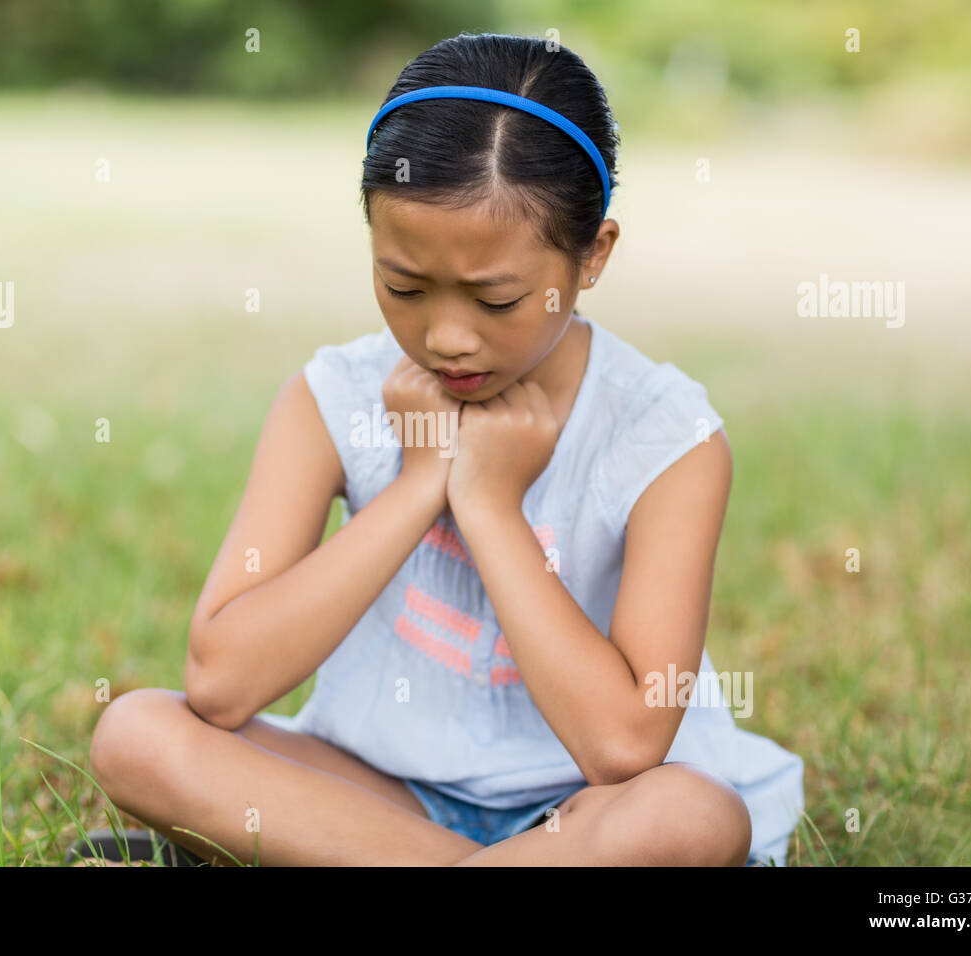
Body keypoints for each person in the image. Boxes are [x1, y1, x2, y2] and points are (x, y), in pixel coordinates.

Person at [77, 32, 804, 867]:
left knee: (689, 820)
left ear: (592, 256)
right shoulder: (333, 399)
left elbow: (624, 747)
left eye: (497, 299)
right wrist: (420, 483)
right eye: (404, 288)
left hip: (589, 816)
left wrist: (491, 507)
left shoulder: (666, 437)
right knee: (138, 734)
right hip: (378, 793)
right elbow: (220, 680)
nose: (448, 338)